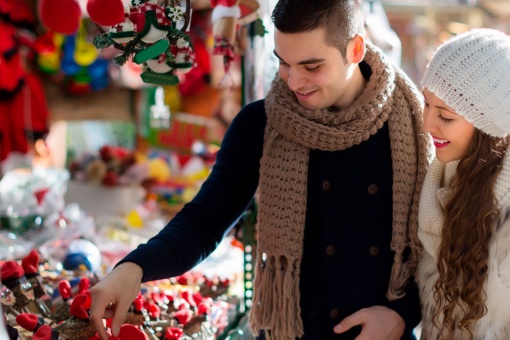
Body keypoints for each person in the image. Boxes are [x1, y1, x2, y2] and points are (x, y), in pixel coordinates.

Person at [89, 0, 430, 339]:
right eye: (284, 63)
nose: (294, 82)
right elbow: (205, 222)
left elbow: (439, 247)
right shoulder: (260, 123)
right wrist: (135, 266)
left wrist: (402, 315)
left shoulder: (415, 126)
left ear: (355, 49)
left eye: (311, 66)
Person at [417, 28, 510, 339]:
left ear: (489, 125)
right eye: (426, 104)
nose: (427, 124)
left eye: (445, 115)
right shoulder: (442, 183)